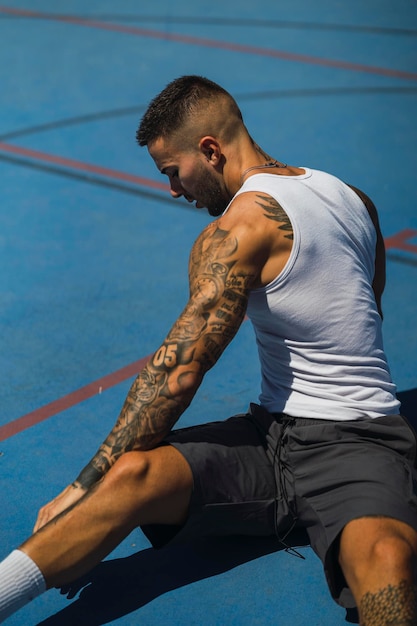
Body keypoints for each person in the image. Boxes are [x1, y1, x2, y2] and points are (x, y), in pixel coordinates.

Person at [0, 75, 416, 625]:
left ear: (210, 151)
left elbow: (177, 374)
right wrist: (103, 479)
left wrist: (81, 485)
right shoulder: (352, 199)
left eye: (173, 173)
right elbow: (373, 310)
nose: (173, 191)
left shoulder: (239, 230)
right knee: (132, 478)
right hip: (270, 436)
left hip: (355, 442)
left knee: (387, 557)